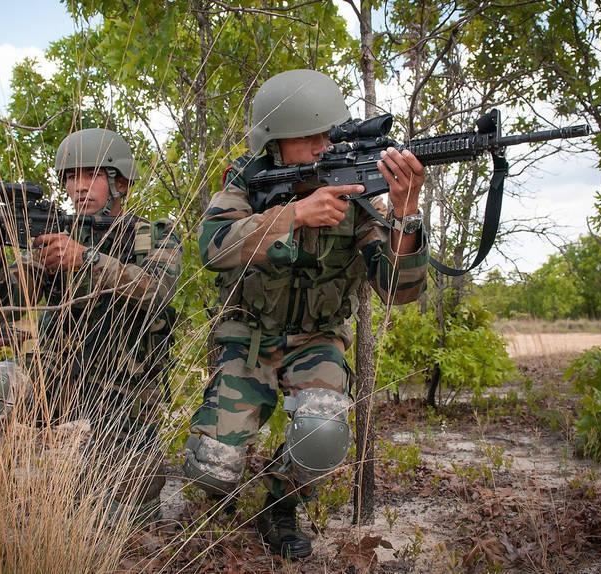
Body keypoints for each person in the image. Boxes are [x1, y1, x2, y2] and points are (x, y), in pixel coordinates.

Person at [183, 69, 429, 559]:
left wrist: (406, 212)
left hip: (317, 339)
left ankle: (280, 505)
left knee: (322, 432)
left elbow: (398, 291)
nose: (322, 146)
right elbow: (213, 247)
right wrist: (293, 215)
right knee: (212, 467)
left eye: (327, 134)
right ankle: (225, 487)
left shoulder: (354, 191)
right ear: (274, 143)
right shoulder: (247, 182)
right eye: (308, 137)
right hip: (249, 336)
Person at [0, 127, 182, 525]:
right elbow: (0, 306)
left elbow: (158, 289)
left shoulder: (154, 233)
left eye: (92, 175)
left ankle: (122, 495)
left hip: (125, 385)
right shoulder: (54, 239)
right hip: (57, 373)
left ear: (120, 182)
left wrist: (87, 259)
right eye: (71, 177)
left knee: (117, 513)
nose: (79, 187)